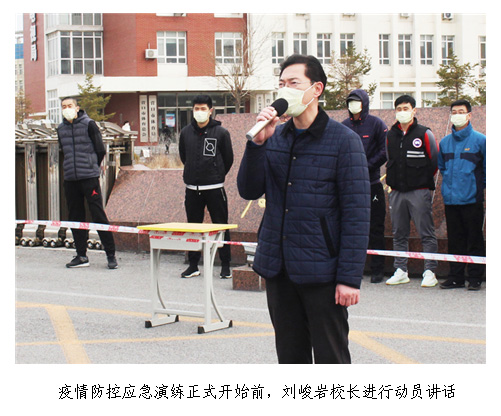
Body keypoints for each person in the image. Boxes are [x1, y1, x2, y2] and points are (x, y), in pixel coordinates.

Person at [237, 55, 370, 364]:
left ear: (316, 89)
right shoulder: (275, 136)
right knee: (290, 357)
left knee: (331, 358)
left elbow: (357, 214)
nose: (285, 90)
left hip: (322, 271)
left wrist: (349, 278)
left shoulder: (344, 141)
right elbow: (248, 190)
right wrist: (257, 145)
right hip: (279, 267)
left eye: (294, 83)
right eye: (281, 84)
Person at [57, 97, 118, 269]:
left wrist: (91, 167)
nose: (67, 109)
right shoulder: (61, 128)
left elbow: (100, 149)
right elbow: (63, 150)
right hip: (71, 179)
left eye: (70, 106)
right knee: (75, 216)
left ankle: (111, 254)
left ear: (77, 108)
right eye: (64, 106)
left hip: (89, 178)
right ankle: (81, 255)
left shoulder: (89, 124)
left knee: (98, 214)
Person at [385, 95, 438, 287]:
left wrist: (420, 180)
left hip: (419, 191)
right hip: (397, 192)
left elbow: (434, 161)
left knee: (426, 233)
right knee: (399, 233)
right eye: (399, 109)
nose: (402, 112)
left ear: (414, 110)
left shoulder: (424, 133)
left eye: (406, 108)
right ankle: (401, 270)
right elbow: (389, 159)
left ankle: (430, 271)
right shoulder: (390, 135)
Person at [178, 94, 234, 279]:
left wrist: (216, 174)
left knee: (221, 225)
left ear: (211, 111)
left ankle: (225, 265)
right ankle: (193, 265)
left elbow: (228, 159)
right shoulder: (185, 132)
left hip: (214, 188)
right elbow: (183, 156)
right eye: (196, 108)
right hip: (192, 189)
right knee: (193, 227)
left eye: (203, 109)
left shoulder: (221, 133)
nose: (199, 112)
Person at [438, 99, 486, 290]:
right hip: (451, 200)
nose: (457, 115)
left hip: (472, 199)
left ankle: (475, 277)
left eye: (461, 111)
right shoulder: (444, 143)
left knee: (474, 239)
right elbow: (442, 168)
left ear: (469, 115)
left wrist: (477, 188)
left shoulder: (480, 140)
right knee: (455, 240)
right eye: (454, 112)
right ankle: (456, 276)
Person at [342, 89, 388, 283]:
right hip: (350, 186)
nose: (354, 105)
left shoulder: (376, 124)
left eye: (357, 101)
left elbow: (384, 150)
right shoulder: (344, 126)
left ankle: (377, 269)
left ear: (364, 103)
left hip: (372, 184)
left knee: (375, 227)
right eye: (350, 101)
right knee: (350, 228)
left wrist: (365, 166)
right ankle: (354, 268)